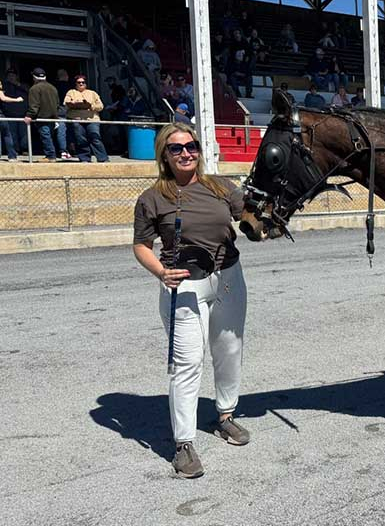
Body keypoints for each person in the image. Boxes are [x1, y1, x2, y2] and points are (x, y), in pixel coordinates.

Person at [132, 122, 250, 478]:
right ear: (164, 156)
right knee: (187, 362)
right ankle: (183, 443)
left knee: (229, 351)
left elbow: (250, 215)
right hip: (182, 285)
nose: (186, 153)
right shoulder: (153, 198)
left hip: (228, 277)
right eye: (176, 148)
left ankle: (225, 415)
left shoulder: (220, 186)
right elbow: (140, 245)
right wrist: (160, 272)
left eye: (191, 146)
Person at [64, 75, 109, 162]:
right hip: (77, 119)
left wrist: (91, 106)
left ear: (86, 84)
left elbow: (101, 106)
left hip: (92, 119)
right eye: (79, 82)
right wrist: (73, 103)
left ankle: (103, 158)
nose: (81, 84)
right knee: (80, 140)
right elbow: (66, 104)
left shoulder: (93, 93)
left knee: (95, 138)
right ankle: (85, 158)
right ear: (75, 84)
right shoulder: (71, 92)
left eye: (83, 82)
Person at [24, 68, 65, 162]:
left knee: (45, 137)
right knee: (49, 136)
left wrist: (29, 115)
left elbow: (34, 105)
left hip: (42, 117)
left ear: (34, 77)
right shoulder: (53, 88)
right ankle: (51, 155)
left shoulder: (34, 88)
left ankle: (50, 156)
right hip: (53, 118)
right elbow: (57, 103)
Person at [0, 72, 26, 160]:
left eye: (13, 75)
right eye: (9, 76)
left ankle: (16, 153)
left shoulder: (22, 86)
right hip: (6, 115)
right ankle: (12, 155)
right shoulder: (4, 85)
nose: (11, 77)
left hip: (20, 114)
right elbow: (2, 98)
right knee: (8, 134)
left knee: (9, 134)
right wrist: (17, 100)